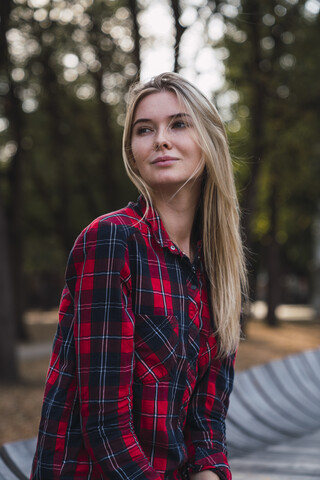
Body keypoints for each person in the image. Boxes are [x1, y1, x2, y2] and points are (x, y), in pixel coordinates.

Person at [30, 72, 247, 480]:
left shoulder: (220, 271)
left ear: (210, 141)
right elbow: (106, 428)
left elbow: (206, 428)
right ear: (133, 151)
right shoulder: (113, 241)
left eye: (178, 124)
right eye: (145, 130)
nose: (160, 139)